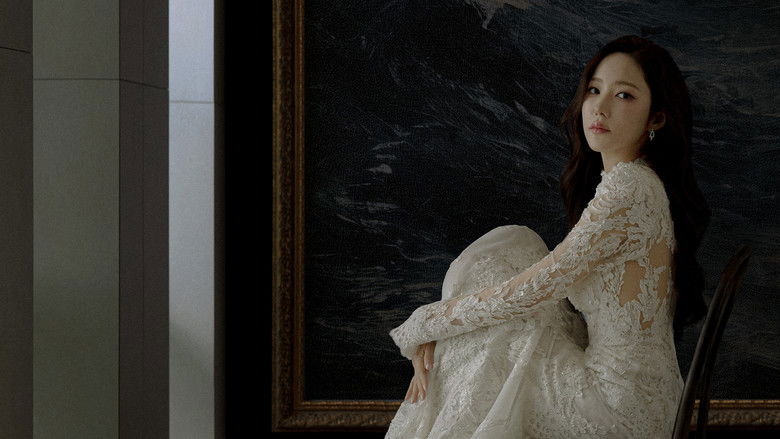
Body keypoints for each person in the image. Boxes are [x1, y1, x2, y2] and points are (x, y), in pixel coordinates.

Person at [386, 35, 711, 438]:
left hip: (618, 409)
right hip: (645, 397)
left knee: (496, 333)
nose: (600, 107)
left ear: (656, 118)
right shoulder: (639, 180)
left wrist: (424, 324)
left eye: (624, 95)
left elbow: (530, 290)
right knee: (512, 254)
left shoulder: (628, 189)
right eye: (594, 90)